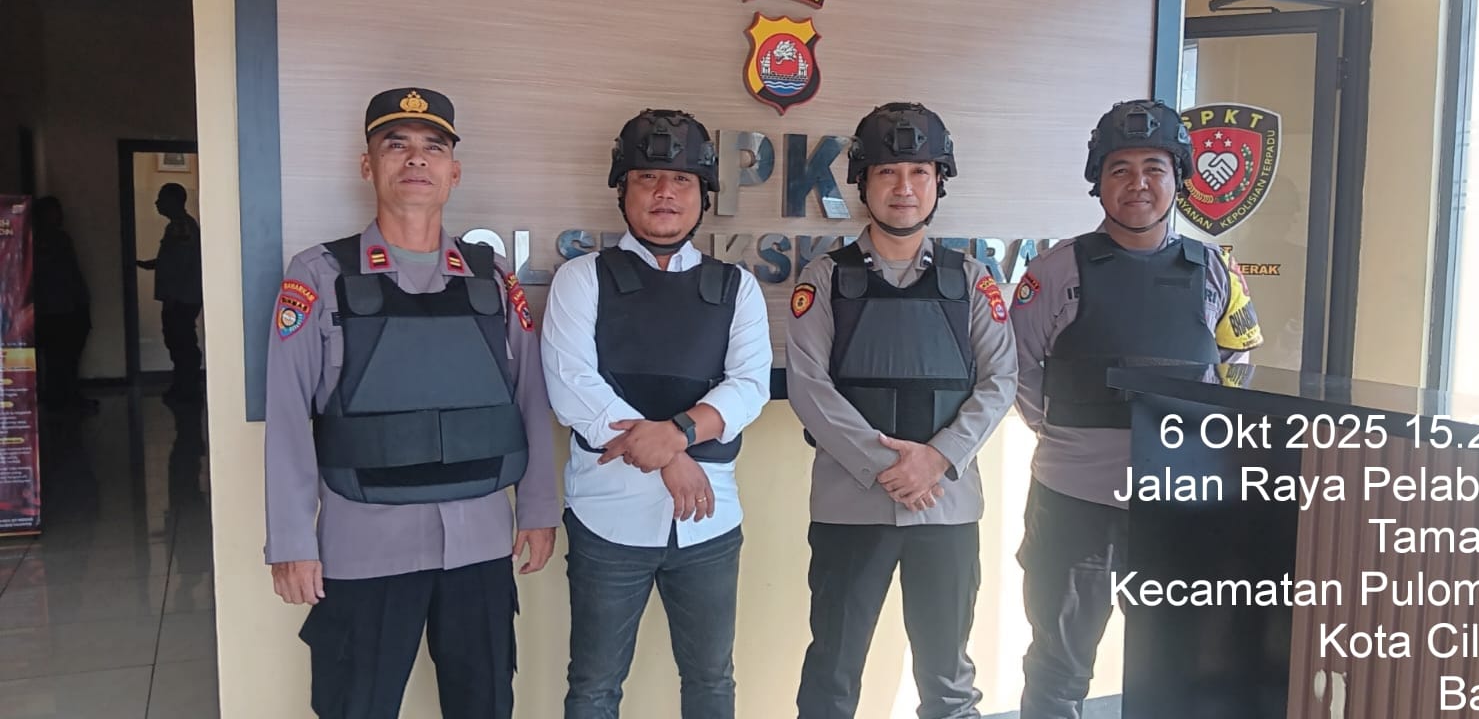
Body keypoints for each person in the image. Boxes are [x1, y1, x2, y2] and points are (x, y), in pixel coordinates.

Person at [262, 87, 561, 719]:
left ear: (455, 172)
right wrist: (291, 540)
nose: (416, 159)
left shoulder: (491, 279)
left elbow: (530, 398)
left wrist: (538, 509)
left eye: (434, 148)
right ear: (367, 166)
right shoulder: (319, 275)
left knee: (485, 707)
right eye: (395, 145)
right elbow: (288, 417)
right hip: (363, 545)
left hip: (481, 544)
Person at [1007, 98, 1264, 719]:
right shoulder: (1054, 271)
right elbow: (1018, 370)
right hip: (1075, 501)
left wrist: (1198, 442)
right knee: (1059, 665)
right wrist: (1069, 440)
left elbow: (1238, 360)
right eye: (1119, 169)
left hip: (1181, 501)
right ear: (1097, 181)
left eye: (1154, 168)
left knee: (1174, 664)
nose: (1138, 184)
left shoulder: (1215, 270)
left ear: (1179, 178)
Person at [787, 102, 1018, 719]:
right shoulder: (824, 278)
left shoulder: (972, 280)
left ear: (940, 181)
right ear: (862, 182)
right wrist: (887, 466)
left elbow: (1001, 379)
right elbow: (808, 387)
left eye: (920, 171)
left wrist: (937, 460)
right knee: (833, 672)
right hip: (850, 505)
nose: (904, 187)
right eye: (887, 172)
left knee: (949, 680)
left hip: (946, 506)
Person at [542, 108, 772, 719]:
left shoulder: (736, 286)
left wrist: (675, 435)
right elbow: (572, 387)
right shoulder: (582, 278)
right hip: (606, 520)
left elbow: (749, 387)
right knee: (594, 687)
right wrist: (673, 458)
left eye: (682, 180)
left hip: (709, 522)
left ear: (703, 195)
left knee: (711, 682)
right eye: (647, 177)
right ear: (623, 189)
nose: (665, 192)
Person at [136, 183, 204, 403]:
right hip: (180, 296)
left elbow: (181, 265)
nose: (157, 203)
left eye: (161, 199)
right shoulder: (178, 226)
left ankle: (187, 388)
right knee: (178, 340)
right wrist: (150, 264)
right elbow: (173, 259)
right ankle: (183, 386)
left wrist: (173, 297)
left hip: (181, 297)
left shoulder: (181, 227)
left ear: (174, 201)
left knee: (181, 341)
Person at [31, 196, 97, 411]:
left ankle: (65, 396)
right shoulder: (39, 240)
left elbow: (71, 272)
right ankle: (60, 398)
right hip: (53, 308)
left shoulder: (60, 239)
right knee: (58, 356)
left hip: (68, 305)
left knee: (67, 356)